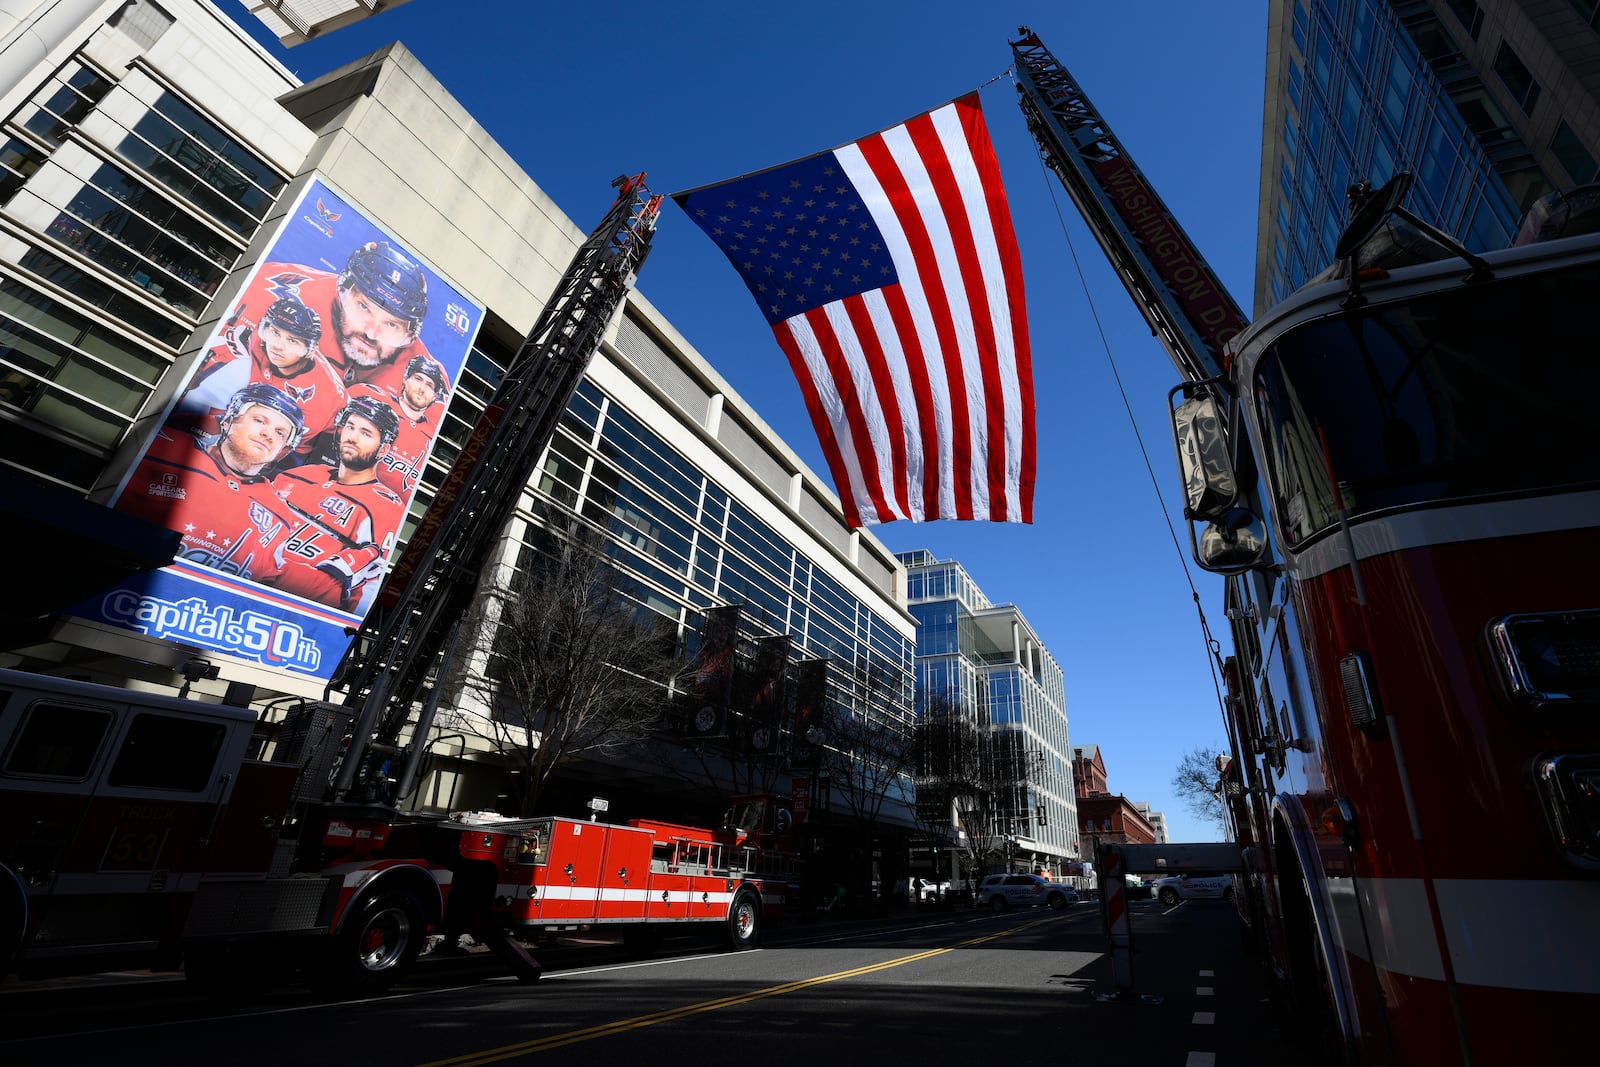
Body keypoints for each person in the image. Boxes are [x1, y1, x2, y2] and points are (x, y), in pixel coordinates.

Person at [117, 382, 304, 584]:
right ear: (228, 421)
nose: (268, 434)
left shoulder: (281, 514)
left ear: (283, 451)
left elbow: (263, 580)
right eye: (259, 420)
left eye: (280, 433)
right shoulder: (164, 449)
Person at [233, 241, 443, 394]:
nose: (371, 332)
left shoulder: (424, 374)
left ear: (410, 334)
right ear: (343, 290)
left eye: (391, 324)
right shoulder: (274, 290)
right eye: (363, 307)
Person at [266, 394, 405, 612]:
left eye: (366, 433)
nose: (352, 437)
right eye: (350, 427)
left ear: (384, 449)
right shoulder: (297, 475)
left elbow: (365, 588)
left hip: (296, 610)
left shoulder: (386, 507)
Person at [177, 296, 347, 462]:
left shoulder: (329, 396)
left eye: (293, 341)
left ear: (310, 351)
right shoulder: (242, 348)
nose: (278, 345)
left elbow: (306, 453)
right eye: (275, 332)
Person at [339, 352, 449, 496]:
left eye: (429, 385)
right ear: (405, 379)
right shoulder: (370, 398)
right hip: (347, 492)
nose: (422, 389)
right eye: (418, 379)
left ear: (435, 396)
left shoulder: (434, 434)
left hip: (393, 512)